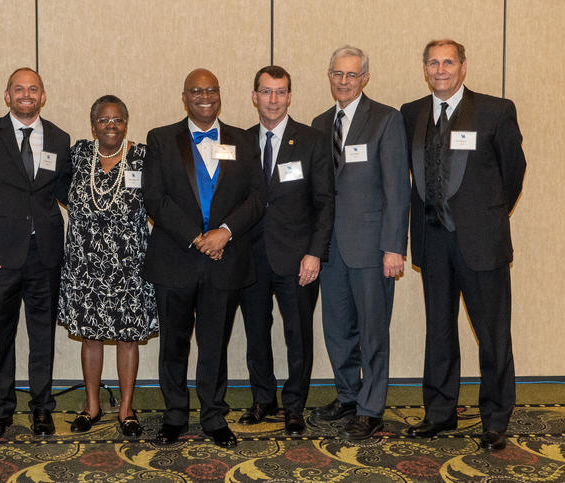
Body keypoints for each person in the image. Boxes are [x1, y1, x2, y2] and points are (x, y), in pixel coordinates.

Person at [400, 39, 526, 452]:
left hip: (480, 242)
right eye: (433, 63)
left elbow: (513, 172)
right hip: (432, 241)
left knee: (492, 334)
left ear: (463, 67)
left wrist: (486, 215)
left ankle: (494, 418)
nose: (441, 69)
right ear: (424, 69)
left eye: (448, 62)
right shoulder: (412, 113)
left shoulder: (494, 111)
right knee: (438, 330)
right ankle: (439, 412)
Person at [143, 68, 265, 449]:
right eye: (196, 90)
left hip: (225, 259)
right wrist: (198, 238)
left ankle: (213, 416)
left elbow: (257, 198)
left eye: (211, 90)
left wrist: (224, 233)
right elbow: (154, 198)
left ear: (220, 95)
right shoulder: (161, 139)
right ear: (184, 97)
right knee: (174, 346)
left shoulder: (243, 140)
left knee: (215, 344)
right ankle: (175, 416)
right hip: (176, 258)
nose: (204, 96)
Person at [0, 68, 72, 439]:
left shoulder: (58, 137)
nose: (26, 94)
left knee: (43, 338)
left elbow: (69, 193)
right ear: (7, 96)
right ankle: (1, 411)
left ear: (43, 95)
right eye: (19, 89)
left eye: (33, 89)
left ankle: (42, 409)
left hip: (46, 255)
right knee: (0, 338)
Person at [311, 46, 410, 440]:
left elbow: (397, 189)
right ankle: (348, 395)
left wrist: (393, 246)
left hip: (371, 248)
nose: (344, 81)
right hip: (330, 249)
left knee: (372, 331)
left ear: (365, 78)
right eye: (337, 73)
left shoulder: (386, 120)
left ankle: (371, 407)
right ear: (329, 75)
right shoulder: (319, 123)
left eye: (352, 75)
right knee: (336, 329)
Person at [237, 66, 334, 436]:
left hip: (298, 259)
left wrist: (315, 253)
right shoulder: (241, 143)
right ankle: (264, 399)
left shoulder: (311, 140)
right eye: (266, 92)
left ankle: (294, 406)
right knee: (256, 332)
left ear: (290, 97)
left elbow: (325, 202)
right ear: (254, 96)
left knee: (298, 334)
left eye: (280, 93)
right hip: (251, 257)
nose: (273, 100)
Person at [58, 95, 157, 438]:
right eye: (103, 119)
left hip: (130, 265)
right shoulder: (79, 154)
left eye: (117, 119)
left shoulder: (142, 156)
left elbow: (159, 200)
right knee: (91, 337)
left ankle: (127, 409)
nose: (110, 125)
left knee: (128, 338)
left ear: (126, 123)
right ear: (93, 124)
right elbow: (59, 188)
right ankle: (92, 407)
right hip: (85, 263)